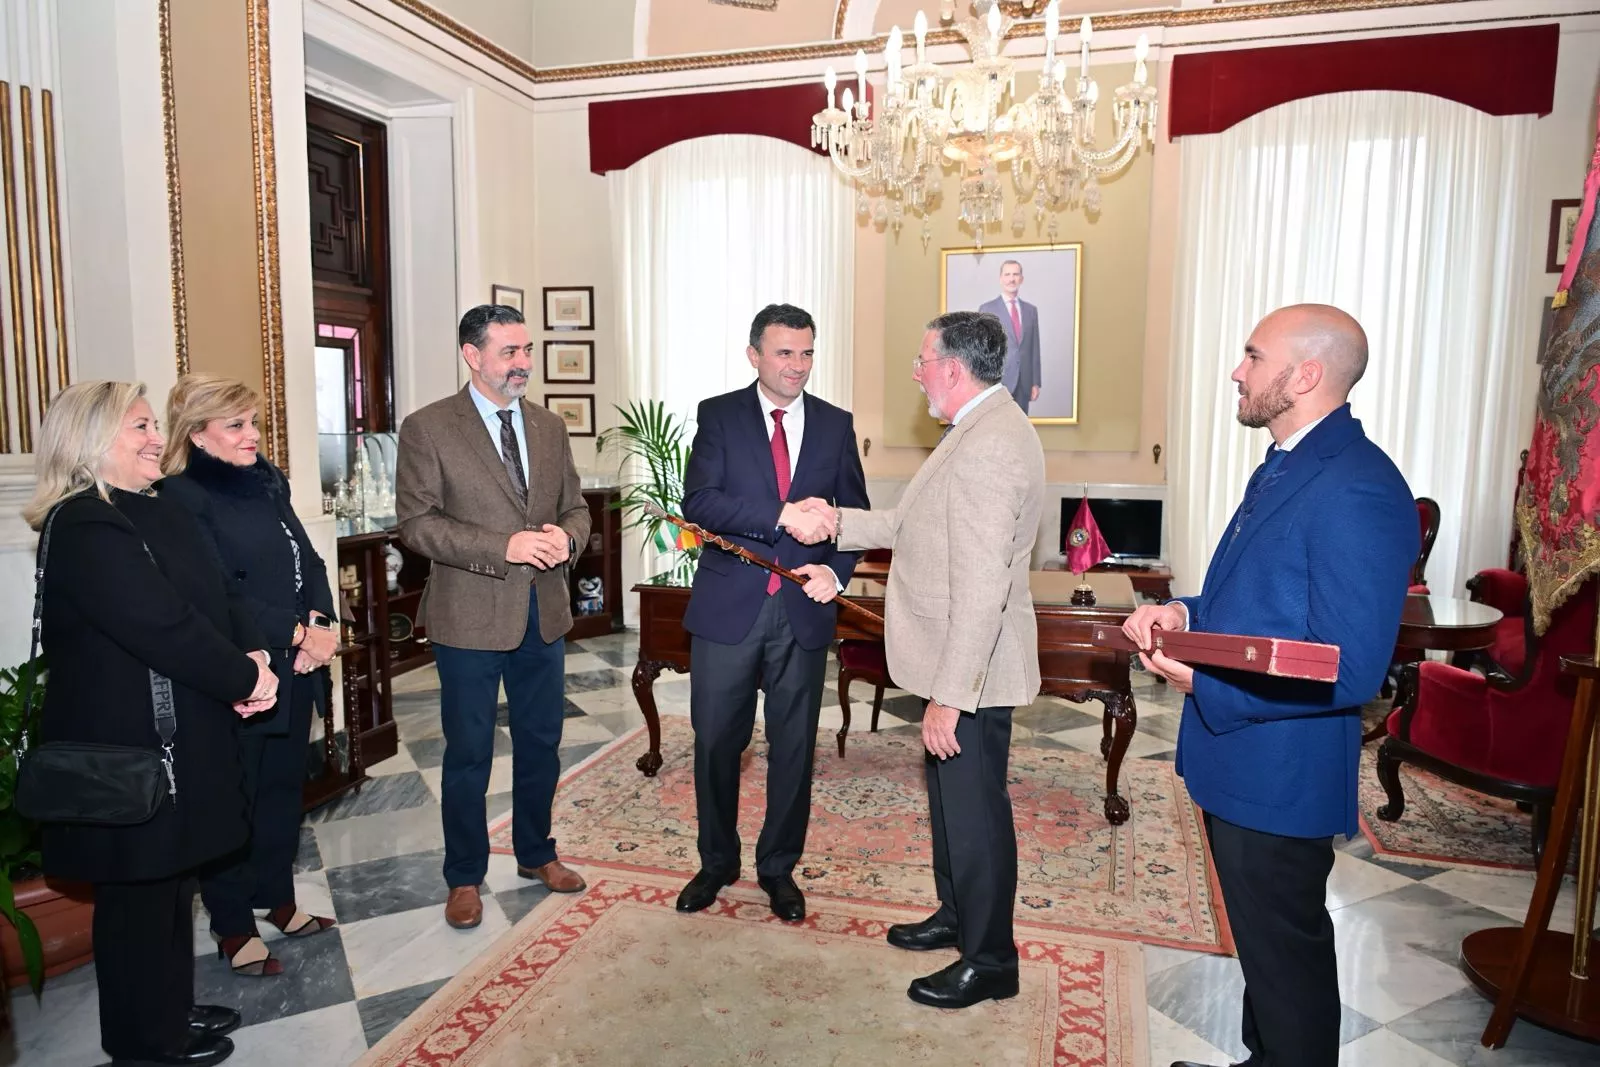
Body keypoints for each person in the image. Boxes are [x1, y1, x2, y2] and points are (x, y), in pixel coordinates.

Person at [1121, 305, 1418, 1067]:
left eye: (1253, 356)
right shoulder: (1288, 460)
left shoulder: (1358, 486)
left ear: (1306, 375)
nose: (1237, 370)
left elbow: (1347, 667)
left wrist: (1204, 681)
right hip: (1245, 768)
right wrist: (1182, 611)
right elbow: (1257, 600)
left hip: (1279, 774)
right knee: (1264, 949)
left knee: (1289, 964)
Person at [23, 381, 280, 1066]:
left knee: (169, 888)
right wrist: (244, 678)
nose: (151, 438)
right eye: (135, 427)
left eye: (149, 425)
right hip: (127, 748)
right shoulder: (83, 523)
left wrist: (251, 653)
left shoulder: (148, 508)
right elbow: (159, 626)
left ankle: (167, 1010)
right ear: (86, 443)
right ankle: (144, 1044)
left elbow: (215, 595)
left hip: (174, 734)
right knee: (136, 901)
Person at [824, 310, 1045, 1009]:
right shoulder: (975, 429)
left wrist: (953, 694)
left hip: (972, 669)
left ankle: (990, 959)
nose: (916, 371)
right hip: (959, 660)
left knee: (976, 813)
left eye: (922, 359)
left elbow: (982, 585)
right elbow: (906, 523)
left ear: (953, 367)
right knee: (954, 809)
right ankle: (959, 915)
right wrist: (834, 520)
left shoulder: (989, 446)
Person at [396, 304, 592, 930]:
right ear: (471, 355)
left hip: (544, 614)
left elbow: (577, 508)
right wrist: (500, 548)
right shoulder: (429, 428)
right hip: (469, 618)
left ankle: (536, 853)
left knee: (542, 744)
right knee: (469, 752)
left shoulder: (548, 426)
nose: (524, 364)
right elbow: (418, 524)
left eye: (526, 350)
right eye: (509, 352)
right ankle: (464, 876)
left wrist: (568, 538)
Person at [673, 303, 869, 922]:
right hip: (730, 609)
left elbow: (855, 517)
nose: (798, 366)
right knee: (715, 744)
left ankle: (778, 867)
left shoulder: (836, 425)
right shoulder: (719, 416)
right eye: (785, 353)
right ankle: (716, 862)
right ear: (754, 354)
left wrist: (835, 575)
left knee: (793, 748)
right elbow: (700, 502)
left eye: (807, 352)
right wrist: (782, 515)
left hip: (803, 615)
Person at [159, 373, 340, 978]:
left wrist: (323, 625)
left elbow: (306, 560)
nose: (253, 435)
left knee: (284, 793)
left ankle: (279, 900)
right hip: (243, 672)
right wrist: (293, 634)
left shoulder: (267, 481)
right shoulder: (180, 496)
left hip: (297, 665)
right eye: (236, 425)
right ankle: (233, 925)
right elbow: (214, 592)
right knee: (236, 800)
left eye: (254, 422)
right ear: (198, 434)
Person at [978, 260, 1041, 414]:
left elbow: (1034, 348)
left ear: (1021, 279)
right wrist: (984, 382)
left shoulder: (1030, 310)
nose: (1011, 279)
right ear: (1001, 278)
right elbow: (982, 350)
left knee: (1020, 430)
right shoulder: (987, 309)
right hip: (998, 381)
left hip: (1024, 383)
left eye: (1015, 274)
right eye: (1007, 274)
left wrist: (1035, 382)